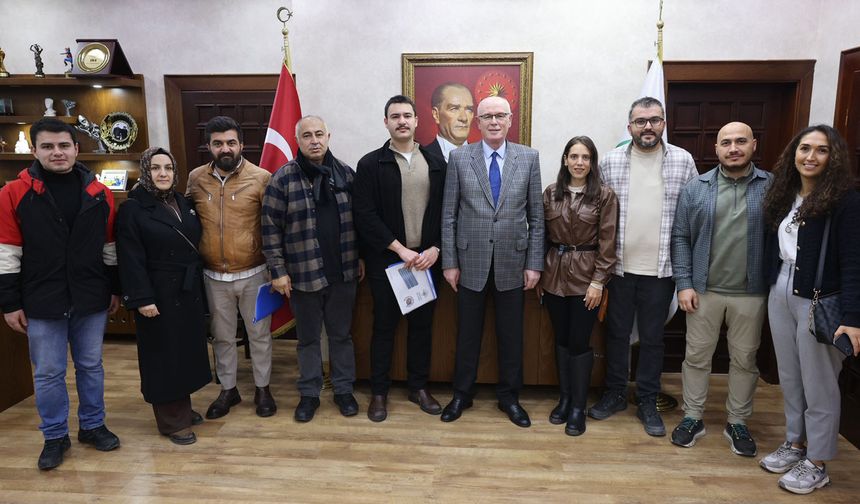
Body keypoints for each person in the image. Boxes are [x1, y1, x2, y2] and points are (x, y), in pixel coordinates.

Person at [0, 117, 121, 470]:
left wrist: (114, 289)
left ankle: (93, 426)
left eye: (64, 145)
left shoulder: (100, 193)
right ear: (34, 150)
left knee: (91, 366)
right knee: (49, 372)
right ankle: (54, 436)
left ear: (76, 149)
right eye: (48, 146)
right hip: (41, 298)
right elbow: (7, 253)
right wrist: (9, 303)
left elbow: (109, 247)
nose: (57, 152)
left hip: (90, 295)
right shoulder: (13, 194)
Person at [759, 124, 860, 495]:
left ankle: (817, 463)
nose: (811, 157)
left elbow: (854, 262)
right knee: (790, 375)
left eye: (821, 150)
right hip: (781, 289)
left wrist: (853, 319)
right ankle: (795, 443)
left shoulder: (846, 201)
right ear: (794, 154)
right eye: (804, 148)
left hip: (820, 299)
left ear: (834, 157)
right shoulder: (785, 194)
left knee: (819, 383)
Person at [593, 97, 697, 437]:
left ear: (664, 123)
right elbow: (597, 211)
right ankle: (615, 394)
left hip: (661, 271)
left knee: (653, 339)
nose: (648, 126)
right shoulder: (610, 161)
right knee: (617, 335)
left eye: (654, 120)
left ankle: (648, 400)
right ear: (630, 127)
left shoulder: (683, 160)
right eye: (641, 121)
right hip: (619, 269)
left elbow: (694, 213)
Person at [440, 96, 544, 428]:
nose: (494, 121)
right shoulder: (459, 157)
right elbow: (448, 215)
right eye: (487, 116)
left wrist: (534, 263)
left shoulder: (529, 157)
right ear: (478, 122)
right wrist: (449, 262)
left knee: (511, 336)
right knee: (467, 335)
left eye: (500, 115)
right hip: (469, 261)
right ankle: (461, 394)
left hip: (513, 263)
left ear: (510, 119)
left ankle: (509, 397)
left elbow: (537, 218)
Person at [670, 122, 772, 456]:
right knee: (697, 357)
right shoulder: (696, 188)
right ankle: (692, 416)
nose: (733, 148)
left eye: (741, 141)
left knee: (744, 359)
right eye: (726, 143)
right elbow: (680, 237)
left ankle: (737, 422)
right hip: (704, 291)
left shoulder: (772, 187)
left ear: (753, 145)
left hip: (751, 293)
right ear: (716, 149)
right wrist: (684, 283)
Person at [262, 115, 363, 423]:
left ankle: (344, 390)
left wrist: (361, 257)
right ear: (298, 140)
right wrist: (278, 271)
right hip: (303, 275)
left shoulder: (345, 173)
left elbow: (360, 221)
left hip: (343, 272)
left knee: (341, 336)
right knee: (307, 339)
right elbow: (270, 229)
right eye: (307, 135)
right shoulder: (282, 179)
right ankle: (309, 394)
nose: (314, 140)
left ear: (328, 137)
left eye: (319, 134)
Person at [354, 95, 447, 422]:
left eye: (407, 115)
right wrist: (399, 249)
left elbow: (446, 211)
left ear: (417, 121)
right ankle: (379, 393)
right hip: (388, 262)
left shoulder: (436, 162)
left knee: (422, 328)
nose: (402, 121)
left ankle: (418, 387)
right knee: (384, 327)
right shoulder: (370, 164)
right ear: (386, 122)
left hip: (426, 262)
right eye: (395, 116)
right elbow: (364, 215)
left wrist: (436, 248)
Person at [116, 147, 212, 445]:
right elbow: (130, 258)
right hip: (156, 293)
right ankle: (172, 421)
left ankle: (181, 406)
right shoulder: (133, 209)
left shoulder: (182, 202)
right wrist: (142, 299)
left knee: (183, 351)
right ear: (145, 172)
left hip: (186, 289)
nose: (162, 174)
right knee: (164, 355)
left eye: (168, 168)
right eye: (155, 168)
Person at [185, 116, 276, 419]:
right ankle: (228, 389)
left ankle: (263, 388)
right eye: (218, 143)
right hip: (213, 276)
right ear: (209, 146)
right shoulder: (196, 178)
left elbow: (273, 225)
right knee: (222, 337)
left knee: (259, 334)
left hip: (255, 273)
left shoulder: (261, 177)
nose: (225, 148)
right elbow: (185, 219)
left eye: (231, 142)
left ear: (241, 145)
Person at [537, 136, 617, 436]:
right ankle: (565, 399)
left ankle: (578, 407)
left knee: (579, 341)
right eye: (574, 156)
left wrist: (598, 282)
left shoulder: (604, 196)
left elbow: (608, 242)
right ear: (565, 160)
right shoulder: (551, 193)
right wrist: (539, 274)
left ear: (592, 162)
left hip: (587, 277)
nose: (579, 162)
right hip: (553, 275)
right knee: (561, 339)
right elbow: (541, 236)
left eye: (585, 157)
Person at [424, 82, 474, 162]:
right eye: (454, 109)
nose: (464, 118)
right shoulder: (422, 158)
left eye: (469, 110)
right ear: (436, 114)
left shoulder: (484, 158)